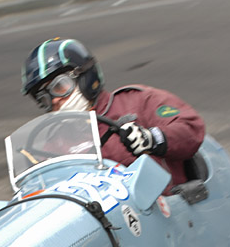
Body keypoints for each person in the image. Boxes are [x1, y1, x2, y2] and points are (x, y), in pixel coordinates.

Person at [21, 38, 205, 189]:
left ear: (85, 77)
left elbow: (191, 129)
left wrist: (151, 138)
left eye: (60, 87)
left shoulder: (138, 101)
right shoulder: (55, 142)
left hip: (161, 213)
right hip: (100, 222)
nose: (54, 100)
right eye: (43, 98)